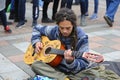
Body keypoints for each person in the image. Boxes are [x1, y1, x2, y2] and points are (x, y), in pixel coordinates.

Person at [30, 8, 104, 80]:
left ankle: (62, 78)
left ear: (73, 25)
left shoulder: (81, 37)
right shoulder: (54, 30)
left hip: (72, 70)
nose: (64, 31)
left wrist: (71, 62)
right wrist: (36, 42)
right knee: (35, 65)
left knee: (88, 74)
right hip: (55, 65)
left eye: (68, 28)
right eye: (61, 28)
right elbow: (37, 28)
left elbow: (84, 63)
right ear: (58, 25)